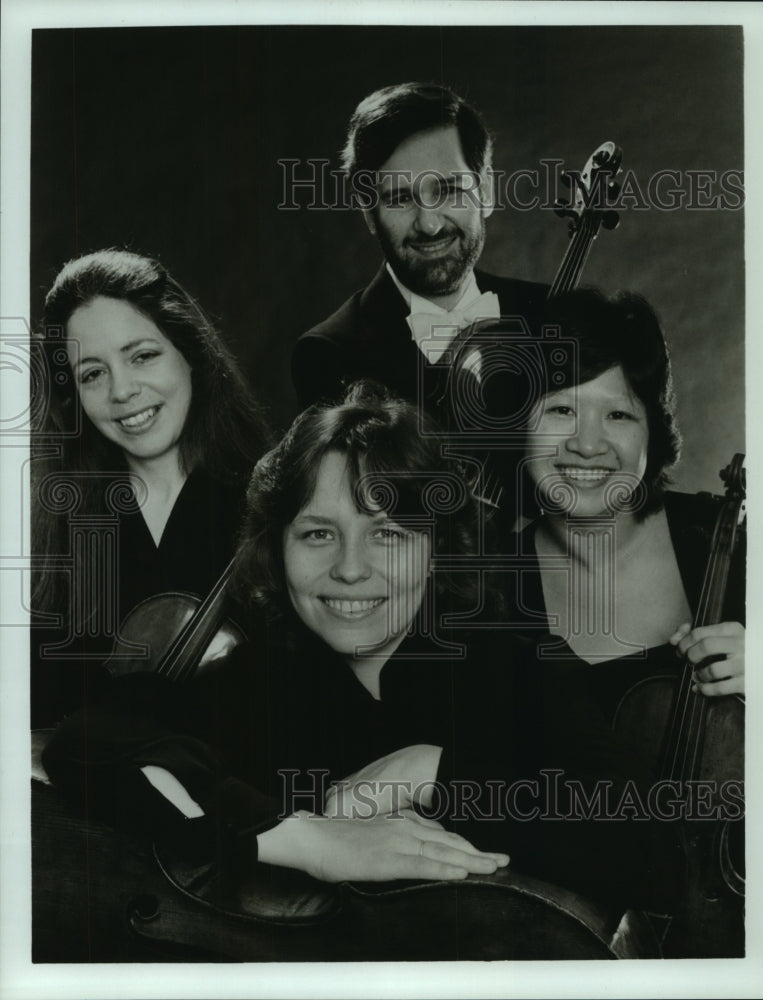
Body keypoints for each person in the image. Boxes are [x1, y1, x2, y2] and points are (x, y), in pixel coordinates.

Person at [43, 383, 681, 912]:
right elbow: (88, 743)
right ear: (277, 547)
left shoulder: (517, 667)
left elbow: (651, 855)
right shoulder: (255, 680)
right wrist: (301, 838)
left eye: (390, 534)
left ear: (437, 549)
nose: (350, 570)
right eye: (318, 533)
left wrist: (432, 773)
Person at [31, 248, 268, 726]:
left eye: (142, 356)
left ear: (191, 354)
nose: (122, 392)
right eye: (93, 374)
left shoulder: (270, 500)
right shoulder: (49, 527)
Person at [500, 287, 745, 721]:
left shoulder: (734, 544)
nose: (588, 445)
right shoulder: (489, 589)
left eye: (618, 415)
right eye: (560, 410)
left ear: (653, 432)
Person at [291, 82, 548, 418]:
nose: (429, 224)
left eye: (448, 190)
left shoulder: (548, 311)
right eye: (399, 198)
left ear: (485, 191)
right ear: (369, 214)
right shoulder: (330, 355)